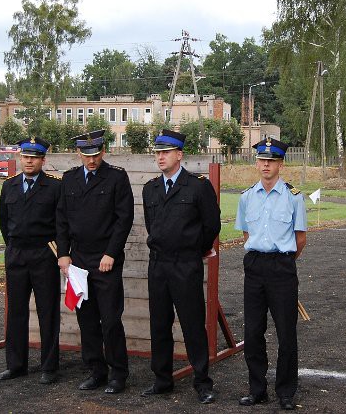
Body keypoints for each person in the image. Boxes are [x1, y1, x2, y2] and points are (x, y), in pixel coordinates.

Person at [140, 129, 220, 404]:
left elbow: (211, 224)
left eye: (166, 152)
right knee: (159, 324)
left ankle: (202, 382)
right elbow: (152, 225)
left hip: (185, 264)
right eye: (158, 153)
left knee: (192, 324)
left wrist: (194, 250)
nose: (160, 157)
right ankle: (162, 380)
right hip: (158, 264)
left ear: (179, 154)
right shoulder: (150, 188)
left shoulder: (197, 186)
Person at [56, 129, 134, 394]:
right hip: (78, 260)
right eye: (87, 155)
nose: (92, 160)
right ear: (78, 153)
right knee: (86, 320)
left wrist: (111, 253)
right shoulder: (69, 179)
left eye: (96, 154)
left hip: (106, 259)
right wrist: (63, 254)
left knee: (110, 320)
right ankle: (96, 371)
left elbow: (124, 219)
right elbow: (61, 219)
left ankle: (118, 374)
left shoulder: (116, 177)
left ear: (104, 152)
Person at [235, 138, 307, 410]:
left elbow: (300, 239)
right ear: (257, 163)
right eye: (262, 160)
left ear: (280, 164)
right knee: (253, 331)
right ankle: (257, 390)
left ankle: (286, 392)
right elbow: (246, 234)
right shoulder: (246, 197)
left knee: (286, 332)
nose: (266, 165)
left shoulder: (293, 196)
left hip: (282, 268)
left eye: (271, 161)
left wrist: (282, 261)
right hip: (255, 266)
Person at [0, 137, 63, 385]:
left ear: (43, 160)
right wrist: (13, 247)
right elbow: (4, 222)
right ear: (20, 158)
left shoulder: (54, 186)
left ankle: (49, 366)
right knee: (16, 311)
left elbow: (61, 224)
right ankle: (16, 365)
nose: (29, 161)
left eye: (34, 158)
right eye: (25, 157)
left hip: (44, 254)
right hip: (17, 254)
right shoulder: (9, 185)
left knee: (48, 312)